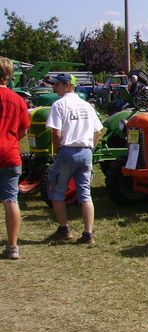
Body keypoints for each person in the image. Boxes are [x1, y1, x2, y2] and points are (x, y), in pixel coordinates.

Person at [45, 73, 104, 245]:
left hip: (67, 151)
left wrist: (56, 151)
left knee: (57, 190)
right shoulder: (87, 106)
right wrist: (91, 148)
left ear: (67, 85)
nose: (55, 88)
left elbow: (56, 133)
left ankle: (64, 229)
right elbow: (98, 131)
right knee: (85, 193)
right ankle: (88, 233)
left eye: (57, 85)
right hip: (86, 152)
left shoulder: (59, 105)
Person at [0, 57, 30, 259]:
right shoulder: (18, 100)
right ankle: (12, 246)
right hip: (10, 154)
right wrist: (10, 140)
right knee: (11, 200)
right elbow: (24, 129)